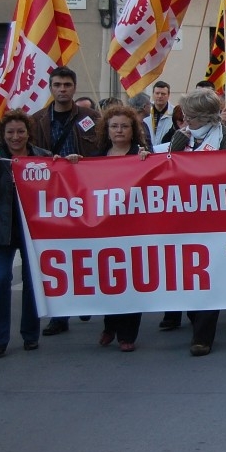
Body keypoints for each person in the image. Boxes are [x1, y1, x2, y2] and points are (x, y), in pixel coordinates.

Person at [0, 111, 57, 358]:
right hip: (1, 229)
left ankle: (30, 335)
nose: (15, 137)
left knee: (32, 283)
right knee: (0, 280)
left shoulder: (41, 156)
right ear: (3, 134)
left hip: (33, 229)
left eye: (20, 131)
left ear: (28, 133)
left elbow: (58, 182)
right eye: (10, 132)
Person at [29, 66, 101, 337]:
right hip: (53, 197)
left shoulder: (92, 117)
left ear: (74, 87)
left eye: (67, 85)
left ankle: (85, 299)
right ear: (51, 88)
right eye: (57, 84)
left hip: (85, 195)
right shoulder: (36, 121)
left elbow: (106, 151)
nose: (62, 89)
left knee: (87, 252)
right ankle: (60, 315)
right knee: (58, 256)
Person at [169, 89, 226, 355]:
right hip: (183, 216)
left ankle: (203, 336)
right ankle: (195, 317)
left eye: (190, 116)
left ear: (204, 116)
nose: (186, 121)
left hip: (214, 216)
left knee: (210, 274)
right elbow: (167, 164)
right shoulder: (182, 135)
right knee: (188, 273)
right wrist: (179, 139)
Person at [91, 106, 150, 352]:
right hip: (106, 229)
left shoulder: (142, 155)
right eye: (114, 126)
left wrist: (149, 162)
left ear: (132, 130)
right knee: (109, 281)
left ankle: (127, 334)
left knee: (133, 281)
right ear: (107, 129)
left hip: (134, 229)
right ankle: (110, 325)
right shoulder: (97, 156)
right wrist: (73, 163)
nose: (119, 130)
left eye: (124, 126)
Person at [145, 80, 175, 146]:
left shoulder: (175, 113)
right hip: (147, 151)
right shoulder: (145, 111)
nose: (159, 96)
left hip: (166, 152)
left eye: (163, 94)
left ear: (168, 95)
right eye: (157, 93)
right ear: (153, 94)